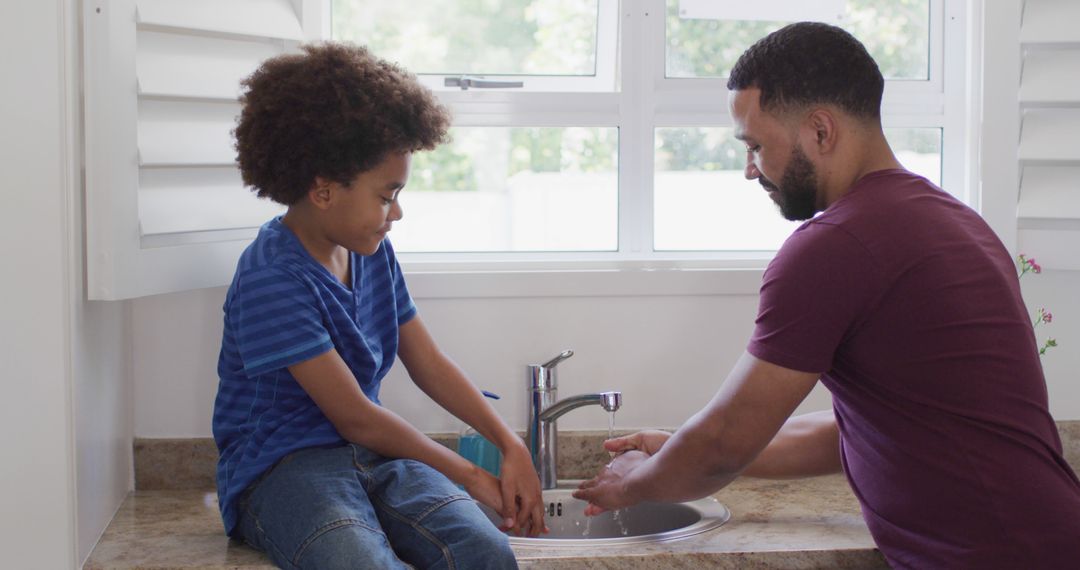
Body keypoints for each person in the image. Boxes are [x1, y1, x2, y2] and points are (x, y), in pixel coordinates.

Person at [573, 22, 1080, 569]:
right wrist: (676, 451)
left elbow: (723, 444)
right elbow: (857, 428)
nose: (751, 170)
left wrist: (631, 486)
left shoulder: (835, 245)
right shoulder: (952, 220)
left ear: (820, 130)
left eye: (757, 145)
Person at [212, 43, 543, 570]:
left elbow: (428, 364)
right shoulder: (270, 277)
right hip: (281, 471)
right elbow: (358, 418)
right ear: (323, 190)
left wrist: (509, 443)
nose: (398, 212)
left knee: (483, 550)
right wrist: (474, 476)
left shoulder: (371, 250)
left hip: (376, 459)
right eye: (387, 195)